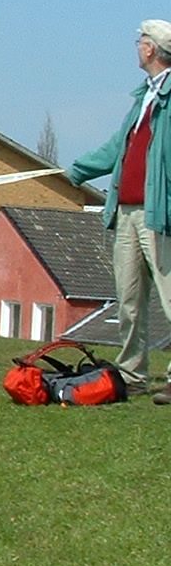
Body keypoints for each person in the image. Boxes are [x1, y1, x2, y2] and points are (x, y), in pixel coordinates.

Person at [67, 20, 171, 400]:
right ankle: (132, 374)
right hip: (125, 212)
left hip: (161, 214)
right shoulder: (143, 96)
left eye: (139, 42)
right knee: (128, 300)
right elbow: (118, 148)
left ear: (150, 49)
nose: (136, 47)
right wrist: (76, 170)